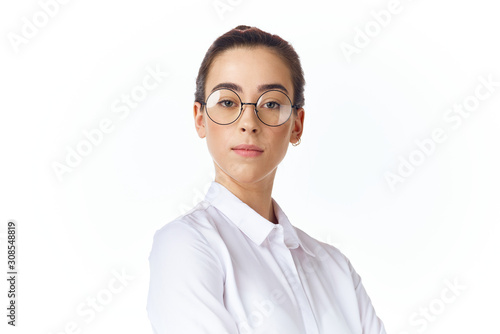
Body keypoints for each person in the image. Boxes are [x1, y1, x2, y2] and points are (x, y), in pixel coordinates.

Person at [146, 25, 387, 334]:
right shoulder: (185, 246)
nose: (248, 122)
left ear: (297, 124)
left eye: (271, 104)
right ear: (200, 117)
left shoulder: (335, 267)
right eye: (228, 102)